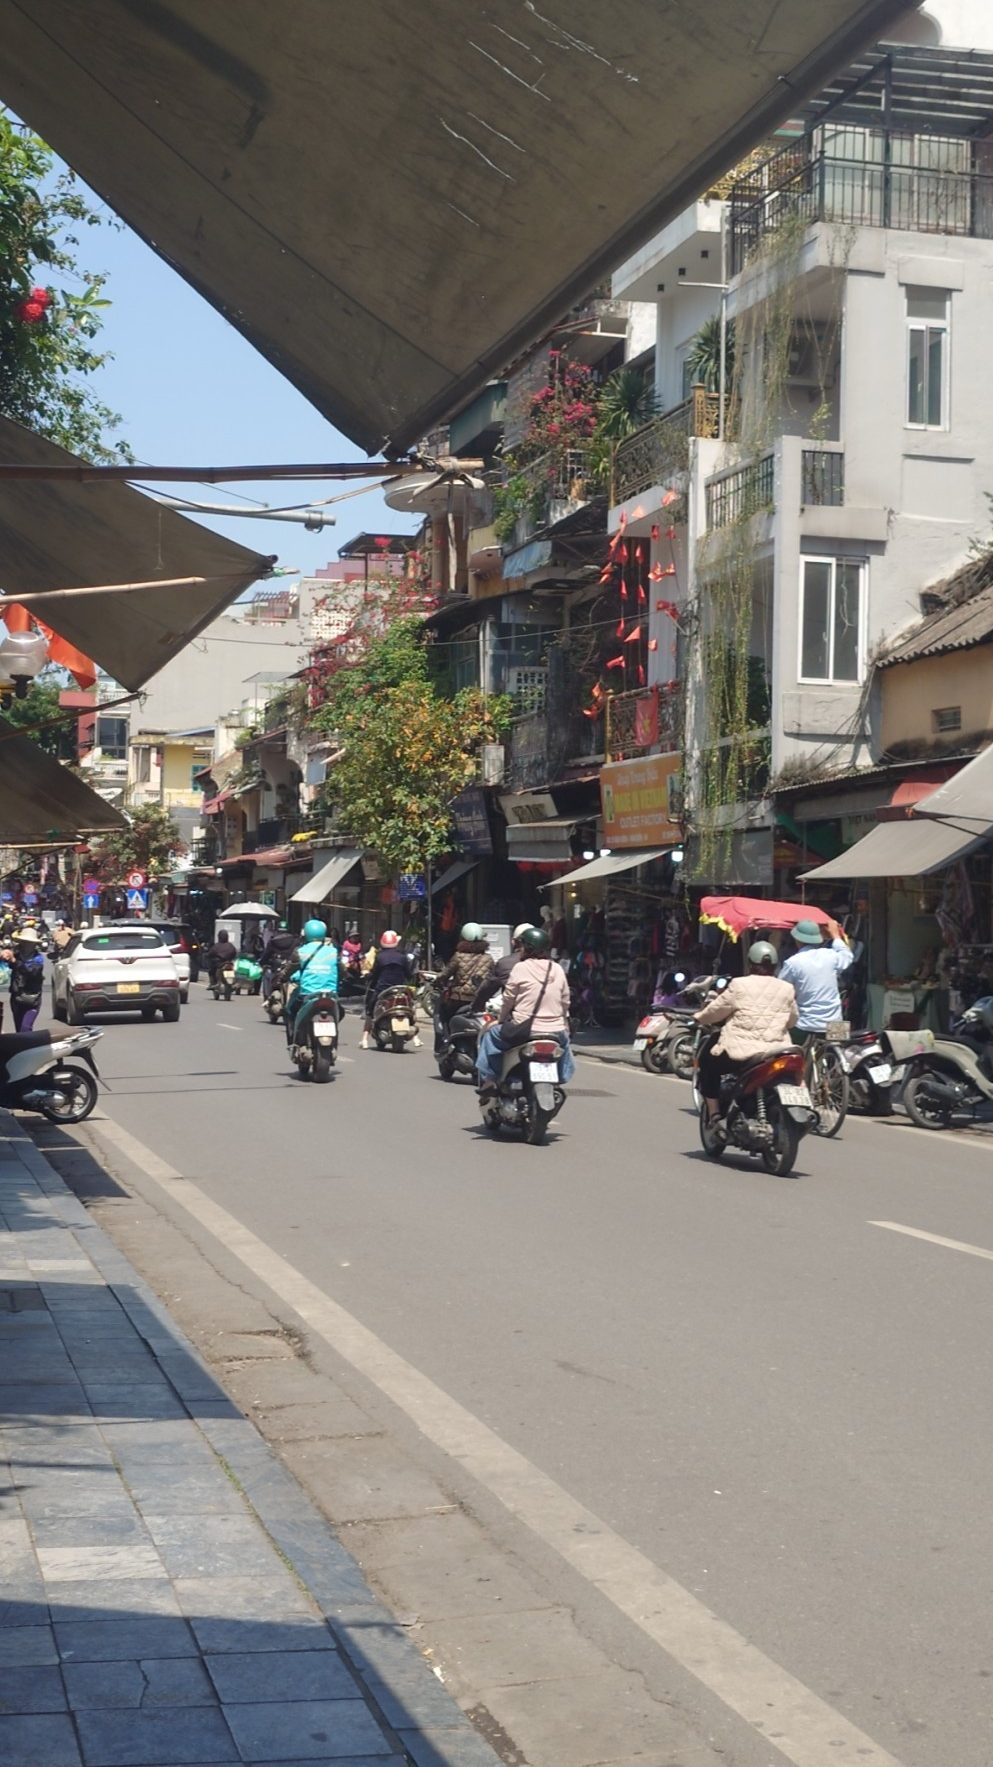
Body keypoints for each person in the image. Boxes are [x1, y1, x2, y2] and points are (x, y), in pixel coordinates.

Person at [694, 940, 798, 1125]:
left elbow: (716, 1010)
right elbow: (792, 1020)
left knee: (708, 1063)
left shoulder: (739, 984)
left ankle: (714, 1114)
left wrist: (699, 1017)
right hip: (776, 1050)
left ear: (750, 964)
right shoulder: (786, 988)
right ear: (775, 966)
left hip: (741, 1050)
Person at [475, 926, 575, 1097]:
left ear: (527, 948)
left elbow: (508, 999)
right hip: (555, 1030)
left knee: (490, 1036)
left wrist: (501, 1020)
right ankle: (560, 1078)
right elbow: (565, 1000)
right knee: (565, 1046)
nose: (520, 950)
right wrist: (563, 1022)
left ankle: (490, 1079)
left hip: (525, 1029)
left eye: (522, 946)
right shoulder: (557, 969)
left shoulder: (520, 968)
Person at [779, 917, 853, 1035]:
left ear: (797, 939)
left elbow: (781, 990)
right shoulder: (831, 955)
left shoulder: (792, 963)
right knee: (841, 1046)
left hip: (805, 1025)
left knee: (791, 1044)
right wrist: (835, 935)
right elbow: (847, 955)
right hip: (836, 1023)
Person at [284, 918, 340, 1047]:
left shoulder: (300, 951)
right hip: (331, 994)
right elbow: (342, 971)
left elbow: (289, 970)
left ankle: (294, 1042)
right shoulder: (333, 951)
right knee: (339, 1012)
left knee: (290, 1010)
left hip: (307, 994)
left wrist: (280, 979)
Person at [361, 930, 417, 1050]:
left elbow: (374, 974)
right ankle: (415, 1035)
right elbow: (409, 975)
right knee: (411, 1006)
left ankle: (364, 1038)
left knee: (370, 1009)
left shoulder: (380, 957)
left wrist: (367, 976)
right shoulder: (402, 957)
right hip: (400, 990)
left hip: (383, 990)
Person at [436, 923, 493, 1026]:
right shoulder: (488, 958)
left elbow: (445, 974)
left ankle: (447, 1034)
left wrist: (437, 980)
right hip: (480, 1000)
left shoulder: (458, 956)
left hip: (459, 999)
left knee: (444, 1016)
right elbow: (493, 977)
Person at [468, 923, 533, 1012]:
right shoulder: (550, 965)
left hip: (516, 1016)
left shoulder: (505, 963)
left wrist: (476, 1007)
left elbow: (486, 990)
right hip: (548, 1016)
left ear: (513, 942)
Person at [9, 926, 46, 1033]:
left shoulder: (38, 959)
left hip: (32, 999)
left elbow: (31, 972)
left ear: (34, 944)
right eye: (24, 942)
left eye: (29, 943)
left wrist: (15, 962)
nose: (26, 945)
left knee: (25, 1028)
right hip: (16, 998)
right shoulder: (16, 955)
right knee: (19, 1030)